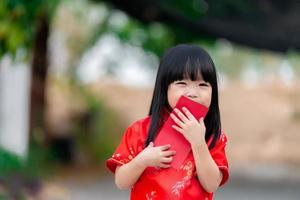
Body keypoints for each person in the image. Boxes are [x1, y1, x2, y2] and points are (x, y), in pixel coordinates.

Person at [106, 44, 229, 200]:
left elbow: (211, 184)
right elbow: (121, 182)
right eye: (182, 83)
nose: (192, 93)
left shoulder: (213, 135)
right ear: (164, 88)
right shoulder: (139, 130)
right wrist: (143, 160)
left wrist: (198, 143)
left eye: (203, 85)